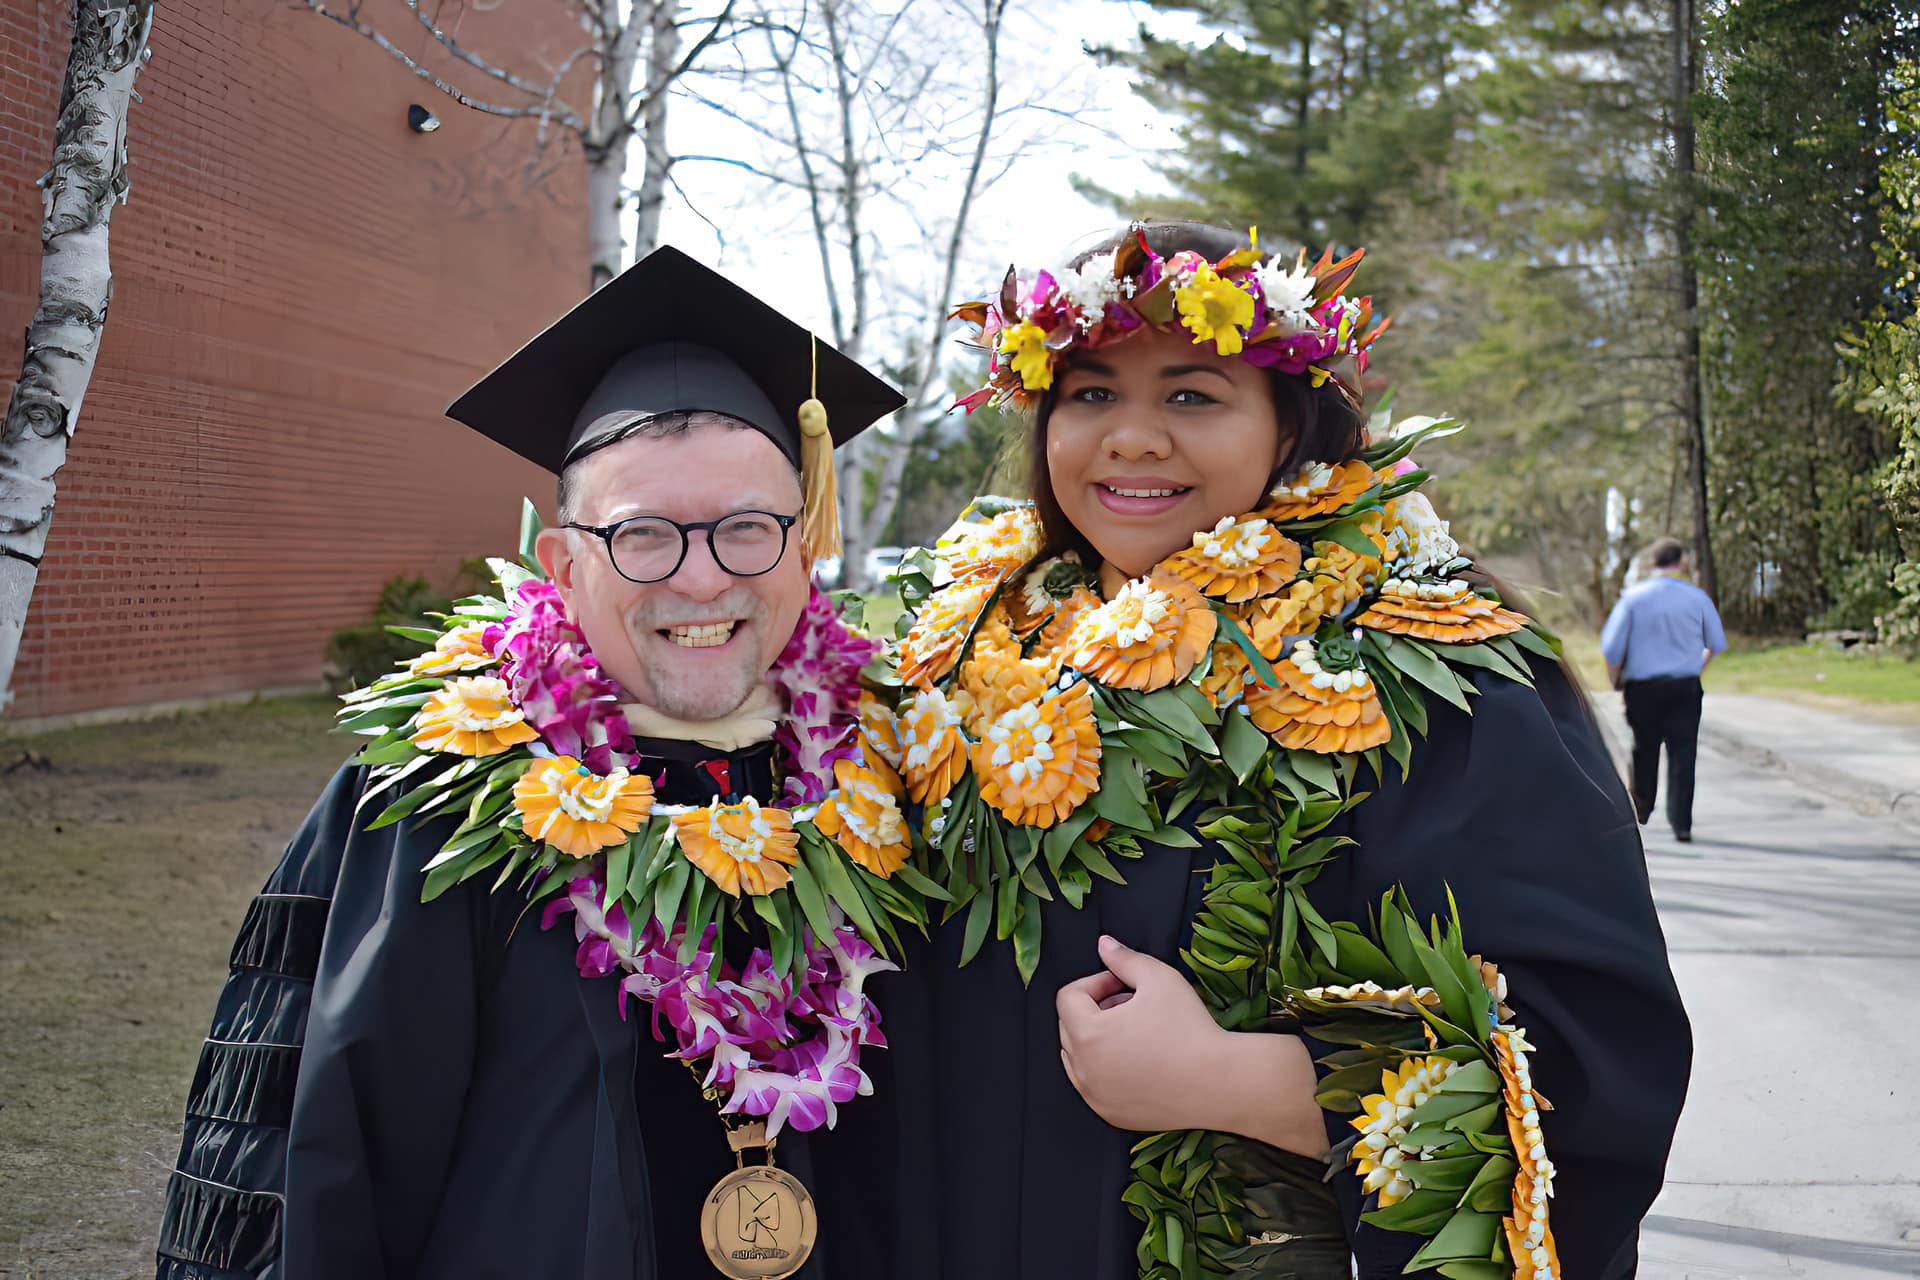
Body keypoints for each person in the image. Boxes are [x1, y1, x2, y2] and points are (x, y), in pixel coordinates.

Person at [863, 221, 1692, 1278]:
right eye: (1092, 393)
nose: (1131, 436)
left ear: (1289, 423)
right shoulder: (955, 658)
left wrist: (1234, 1079)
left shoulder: (1424, 668)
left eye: (1192, 393)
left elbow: (1585, 1062)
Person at [153, 245, 909, 1279]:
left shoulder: (892, 779)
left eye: (747, 528)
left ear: (804, 544)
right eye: (644, 534)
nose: (701, 578)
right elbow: (320, 1165)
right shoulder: (433, 803)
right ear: (563, 563)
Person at [1600, 536, 1728, 842]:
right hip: (1684, 685)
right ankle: (1681, 823)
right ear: (1681, 562)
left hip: (1643, 687)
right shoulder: (1697, 598)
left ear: (1652, 562)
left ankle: (1642, 809)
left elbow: (1611, 647)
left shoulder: (1633, 598)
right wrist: (1696, 667)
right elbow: (1717, 643)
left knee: (1644, 748)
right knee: (1683, 753)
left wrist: (1615, 679)